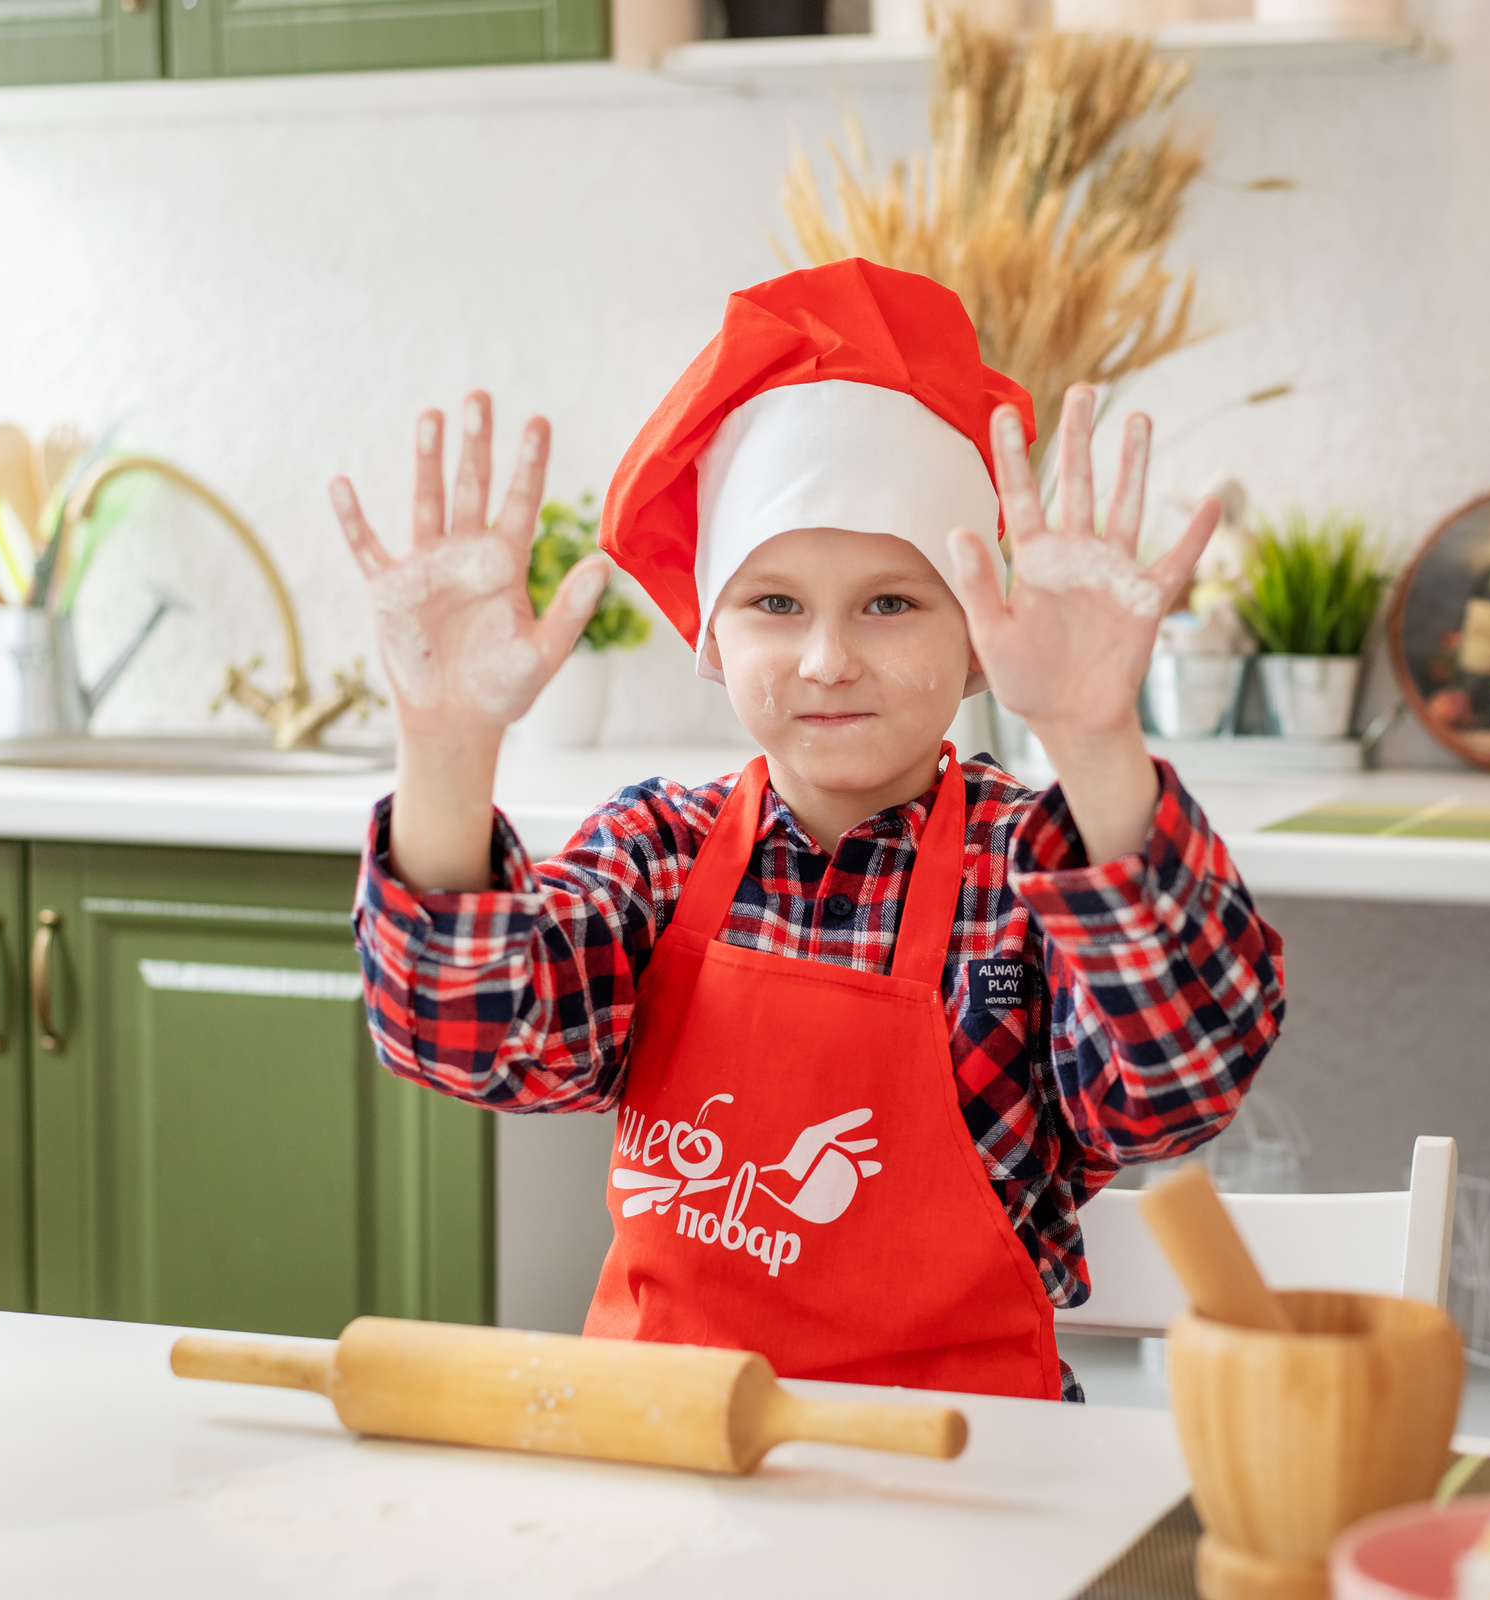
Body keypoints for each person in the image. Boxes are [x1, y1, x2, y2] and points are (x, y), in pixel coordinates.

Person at [346, 259, 1284, 1401]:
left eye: (890, 603)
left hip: (964, 1468)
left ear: (978, 634)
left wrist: (1095, 741)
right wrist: (443, 748)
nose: (828, 658)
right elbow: (471, 1037)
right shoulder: (658, 854)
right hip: (673, 1452)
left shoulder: (1028, 867)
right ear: (709, 634)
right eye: (774, 602)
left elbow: (1180, 1080)